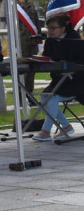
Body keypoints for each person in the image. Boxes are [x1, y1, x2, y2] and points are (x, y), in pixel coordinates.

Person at [33, 14, 81, 142]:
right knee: (45, 96)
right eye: (48, 28)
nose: (50, 31)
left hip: (76, 81)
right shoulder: (50, 40)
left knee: (52, 97)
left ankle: (46, 131)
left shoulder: (74, 39)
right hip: (58, 79)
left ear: (63, 28)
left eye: (53, 28)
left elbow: (80, 61)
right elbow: (46, 57)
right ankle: (66, 126)